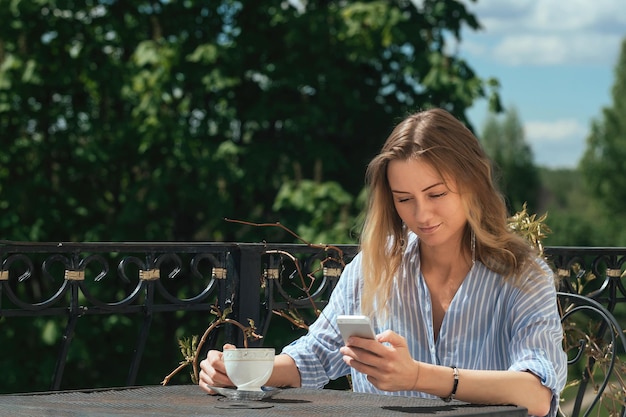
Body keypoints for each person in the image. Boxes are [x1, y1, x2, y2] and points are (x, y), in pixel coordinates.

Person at [199, 108, 567, 417]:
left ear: (472, 182)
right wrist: (243, 372)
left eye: (436, 193)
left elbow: (536, 393)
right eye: (404, 199)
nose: (422, 215)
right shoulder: (374, 266)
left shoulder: (522, 273)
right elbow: (313, 358)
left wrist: (417, 376)